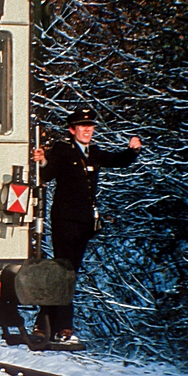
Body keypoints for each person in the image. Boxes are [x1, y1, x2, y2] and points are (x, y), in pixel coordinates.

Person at [31, 106, 141, 347]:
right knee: (65, 272)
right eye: (82, 127)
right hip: (65, 221)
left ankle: (44, 324)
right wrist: (42, 161)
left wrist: (132, 151)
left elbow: (116, 161)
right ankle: (63, 328)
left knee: (68, 273)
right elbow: (47, 175)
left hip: (84, 223)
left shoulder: (93, 152)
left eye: (90, 127)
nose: (87, 131)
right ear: (72, 130)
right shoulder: (62, 150)